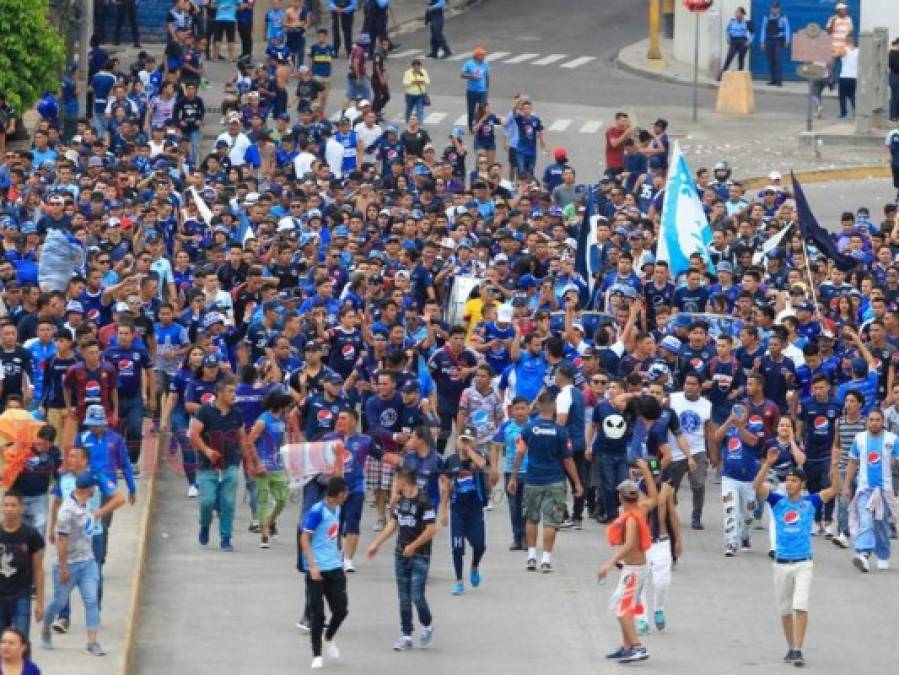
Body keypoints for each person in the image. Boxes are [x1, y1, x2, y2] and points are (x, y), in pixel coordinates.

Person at [753, 444, 841, 667]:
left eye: (794, 480)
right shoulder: (777, 502)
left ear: (801, 484)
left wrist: (834, 465)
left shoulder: (810, 502)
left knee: (800, 605)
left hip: (803, 563)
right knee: (784, 610)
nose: (790, 483)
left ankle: (798, 649)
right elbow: (757, 487)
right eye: (788, 480)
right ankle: (790, 647)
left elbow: (834, 490)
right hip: (781, 563)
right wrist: (767, 464)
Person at [40, 471, 123, 656]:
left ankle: (91, 642)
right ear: (88, 489)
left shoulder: (85, 503)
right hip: (68, 565)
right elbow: (61, 541)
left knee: (91, 600)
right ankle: (45, 629)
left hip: (87, 562)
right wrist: (63, 568)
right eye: (94, 487)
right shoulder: (67, 511)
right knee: (58, 602)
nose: (95, 490)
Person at [507, 392, 583, 573]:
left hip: (532, 480)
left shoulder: (528, 429)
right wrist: (577, 482)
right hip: (555, 480)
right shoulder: (561, 431)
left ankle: (531, 556)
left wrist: (513, 476)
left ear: (538, 407)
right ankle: (546, 559)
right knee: (551, 522)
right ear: (555, 408)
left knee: (531, 518)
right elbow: (568, 460)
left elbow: (520, 454)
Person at [366, 467, 436, 652]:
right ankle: (406, 635)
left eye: (397, 480)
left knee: (417, 595)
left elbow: (431, 530)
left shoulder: (424, 501)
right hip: (400, 554)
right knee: (403, 597)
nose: (394, 483)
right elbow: (393, 524)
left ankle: (427, 624)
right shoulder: (400, 500)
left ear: (404, 481)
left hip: (420, 554)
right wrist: (376, 544)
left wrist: (413, 546)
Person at [596, 459, 657, 664]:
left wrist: (609, 563)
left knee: (622, 608)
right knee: (623, 605)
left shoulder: (631, 517)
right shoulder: (641, 509)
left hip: (634, 569)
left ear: (621, 497)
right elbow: (654, 498)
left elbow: (630, 544)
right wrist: (647, 471)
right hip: (635, 568)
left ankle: (638, 647)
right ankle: (627, 646)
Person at [188, 375, 249, 551]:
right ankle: (205, 524)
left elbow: (242, 438)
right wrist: (206, 451)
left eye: (234, 391)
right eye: (230, 391)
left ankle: (226, 538)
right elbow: (193, 434)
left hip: (230, 464)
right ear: (220, 393)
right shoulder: (204, 411)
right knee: (207, 502)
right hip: (208, 466)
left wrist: (248, 464)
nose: (234, 395)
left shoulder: (237, 413)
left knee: (228, 503)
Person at [299, 476, 350, 670]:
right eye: (345, 493)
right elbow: (304, 539)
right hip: (317, 569)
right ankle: (317, 654)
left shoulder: (337, 508)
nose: (347, 496)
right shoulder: (317, 512)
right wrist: (312, 566)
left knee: (341, 609)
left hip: (334, 566)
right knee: (318, 615)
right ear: (339, 494)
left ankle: (328, 638)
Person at [844, 409, 898, 573]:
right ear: (867, 422)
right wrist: (847, 486)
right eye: (871, 420)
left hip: (885, 491)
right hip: (864, 489)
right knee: (866, 521)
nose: (874, 423)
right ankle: (863, 555)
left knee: (881, 525)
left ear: (883, 422)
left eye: (877, 420)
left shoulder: (892, 439)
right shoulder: (859, 439)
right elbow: (852, 463)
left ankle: (883, 555)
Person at [439, 427, 488, 595]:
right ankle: (459, 581)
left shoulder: (479, 456)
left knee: (480, 545)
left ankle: (474, 566)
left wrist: (469, 451)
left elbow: (482, 465)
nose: (465, 443)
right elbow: (446, 486)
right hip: (458, 509)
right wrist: (443, 510)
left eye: (469, 440)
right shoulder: (450, 460)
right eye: (463, 440)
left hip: (475, 509)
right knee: (457, 547)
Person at [246, 389, 293, 549]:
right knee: (263, 500)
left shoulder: (282, 421)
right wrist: (257, 463)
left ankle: (271, 521)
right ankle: (264, 534)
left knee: (282, 499)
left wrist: (287, 460)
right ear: (280, 405)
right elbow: (249, 441)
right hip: (264, 467)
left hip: (278, 466)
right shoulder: (263, 421)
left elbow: (283, 442)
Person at [713, 402, 760, 556]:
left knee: (748, 514)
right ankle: (731, 543)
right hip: (729, 478)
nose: (739, 413)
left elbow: (753, 441)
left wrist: (740, 426)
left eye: (742, 411)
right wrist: (728, 421)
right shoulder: (728, 428)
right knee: (730, 510)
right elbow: (715, 438)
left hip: (749, 480)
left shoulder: (753, 426)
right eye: (736, 410)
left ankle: (745, 535)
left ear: (747, 414)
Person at [0, 492, 45, 638]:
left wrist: (39, 601)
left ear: (21, 508)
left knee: (21, 642)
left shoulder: (31, 535)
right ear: (1, 508)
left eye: (13, 505)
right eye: (6, 505)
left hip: (21, 596)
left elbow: (38, 570)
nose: (9, 509)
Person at [759, 1, 791, 87]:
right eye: (773, 8)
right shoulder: (766, 17)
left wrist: (787, 41)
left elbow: (787, 29)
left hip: (778, 41)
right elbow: (763, 29)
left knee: (778, 60)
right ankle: (773, 80)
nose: (774, 10)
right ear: (770, 9)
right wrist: (762, 42)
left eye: (776, 8)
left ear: (779, 9)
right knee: (771, 60)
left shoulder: (783, 17)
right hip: (769, 40)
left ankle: (779, 81)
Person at [461, 47, 489, 133]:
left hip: (482, 91)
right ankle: (471, 127)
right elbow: (462, 74)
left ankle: (482, 125)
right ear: (477, 56)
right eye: (482, 55)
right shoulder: (469, 63)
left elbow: (487, 76)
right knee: (471, 110)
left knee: (482, 108)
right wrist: (471, 76)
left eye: (484, 55)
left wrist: (487, 89)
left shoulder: (485, 64)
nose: (484, 57)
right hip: (471, 91)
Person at [719, 6, 752, 78]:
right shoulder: (732, 21)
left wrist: (749, 41)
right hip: (733, 41)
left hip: (742, 41)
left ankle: (740, 77)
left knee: (741, 60)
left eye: (738, 12)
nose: (736, 14)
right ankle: (721, 76)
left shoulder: (747, 22)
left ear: (742, 14)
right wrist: (727, 37)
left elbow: (752, 33)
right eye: (736, 12)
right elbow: (727, 30)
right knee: (729, 58)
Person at [402, 59, 429, 124]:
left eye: (419, 67)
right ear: (413, 67)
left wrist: (422, 81)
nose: (417, 69)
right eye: (416, 67)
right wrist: (412, 82)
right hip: (410, 95)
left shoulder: (423, 71)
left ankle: (420, 125)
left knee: (420, 110)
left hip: (420, 95)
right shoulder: (408, 73)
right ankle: (408, 122)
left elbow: (427, 81)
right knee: (409, 110)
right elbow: (405, 83)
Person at [837, 36, 858, 119]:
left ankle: (843, 112)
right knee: (852, 95)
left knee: (842, 95)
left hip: (844, 75)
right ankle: (855, 109)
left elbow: (836, 55)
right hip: (854, 76)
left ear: (846, 41)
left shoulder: (844, 49)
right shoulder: (858, 50)